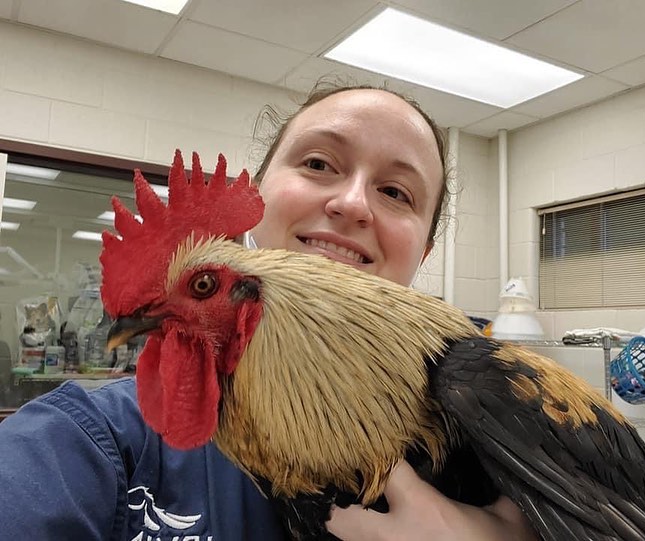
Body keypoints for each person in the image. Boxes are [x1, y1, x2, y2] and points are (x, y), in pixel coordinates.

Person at [0, 81, 537, 541]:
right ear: (258, 197)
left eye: (396, 192)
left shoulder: (503, 398)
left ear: (421, 251)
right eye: (319, 163)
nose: (352, 203)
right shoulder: (92, 444)